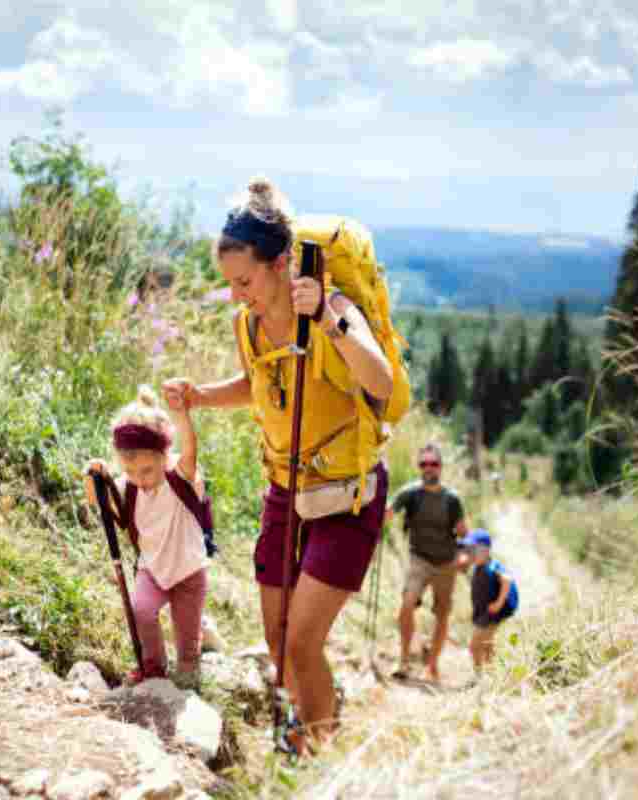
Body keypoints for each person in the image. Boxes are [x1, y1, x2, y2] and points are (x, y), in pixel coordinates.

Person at [164, 177, 393, 756]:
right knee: (277, 637)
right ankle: (305, 735)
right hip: (285, 491)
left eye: (245, 280)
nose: (237, 294)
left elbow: (381, 383)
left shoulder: (332, 310)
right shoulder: (248, 323)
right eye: (230, 283)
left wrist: (329, 321)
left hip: (347, 496)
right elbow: (261, 384)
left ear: (283, 262)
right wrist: (201, 396)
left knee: (302, 642)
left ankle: (317, 757)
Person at [83, 385, 210, 688]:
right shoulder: (129, 485)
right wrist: (92, 477)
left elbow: (191, 448)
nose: (140, 479)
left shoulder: (179, 478)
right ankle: (153, 668)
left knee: (186, 635)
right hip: (152, 567)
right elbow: (97, 503)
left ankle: (189, 675)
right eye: (130, 470)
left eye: (147, 470)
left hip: (189, 571)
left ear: (165, 456)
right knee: (142, 610)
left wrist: (181, 416)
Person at [388, 443, 469, 683]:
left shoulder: (452, 499)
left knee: (442, 615)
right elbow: (388, 512)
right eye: (424, 463)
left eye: (433, 463)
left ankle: (432, 665)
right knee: (406, 606)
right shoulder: (410, 493)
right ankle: (403, 660)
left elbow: (464, 532)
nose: (428, 468)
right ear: (419, 466)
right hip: (419, 559)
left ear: (441, 467)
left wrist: (465, 554)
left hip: (446, 563)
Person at [456, 529, 518, 669]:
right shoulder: (479, 566)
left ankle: (480, 675)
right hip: (486, 613)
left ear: (485, 550)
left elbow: (507, 580)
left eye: (473, 549)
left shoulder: (492, 566)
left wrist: (498, 602)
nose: (469, 552)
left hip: (493, 613)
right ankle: (491, 671)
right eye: (468, 549)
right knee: (487, 644)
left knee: (474, 646)